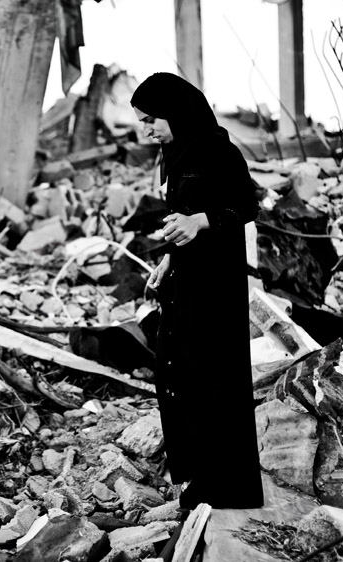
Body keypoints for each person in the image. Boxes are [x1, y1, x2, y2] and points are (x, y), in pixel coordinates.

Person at [131, 72, 263, 509]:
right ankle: (196, 473)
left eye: (152, 119)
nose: (145, 129)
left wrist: (202, 221)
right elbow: (181, 215)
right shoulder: (174, 153)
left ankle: (227, 486)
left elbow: (245, 206)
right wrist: (168, 257)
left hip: (215, 286)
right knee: (181, 373)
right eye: (141, 121)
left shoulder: (215, 149)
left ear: (177, 112)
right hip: (185, 279)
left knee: (214, 376)